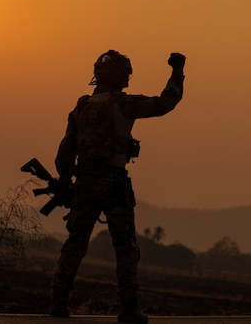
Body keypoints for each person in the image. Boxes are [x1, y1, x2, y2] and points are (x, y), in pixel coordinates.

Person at [50, 50, 186, 323]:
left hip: (85, 184)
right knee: (125, 246)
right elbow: (165, 103)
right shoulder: (125, 105)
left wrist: (67, 183)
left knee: (75, 243)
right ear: (120, 76)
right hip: (114, 184)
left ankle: (58, 303)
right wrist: (177, 71)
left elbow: (64, 154)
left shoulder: (81, 107)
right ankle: (128, 307)